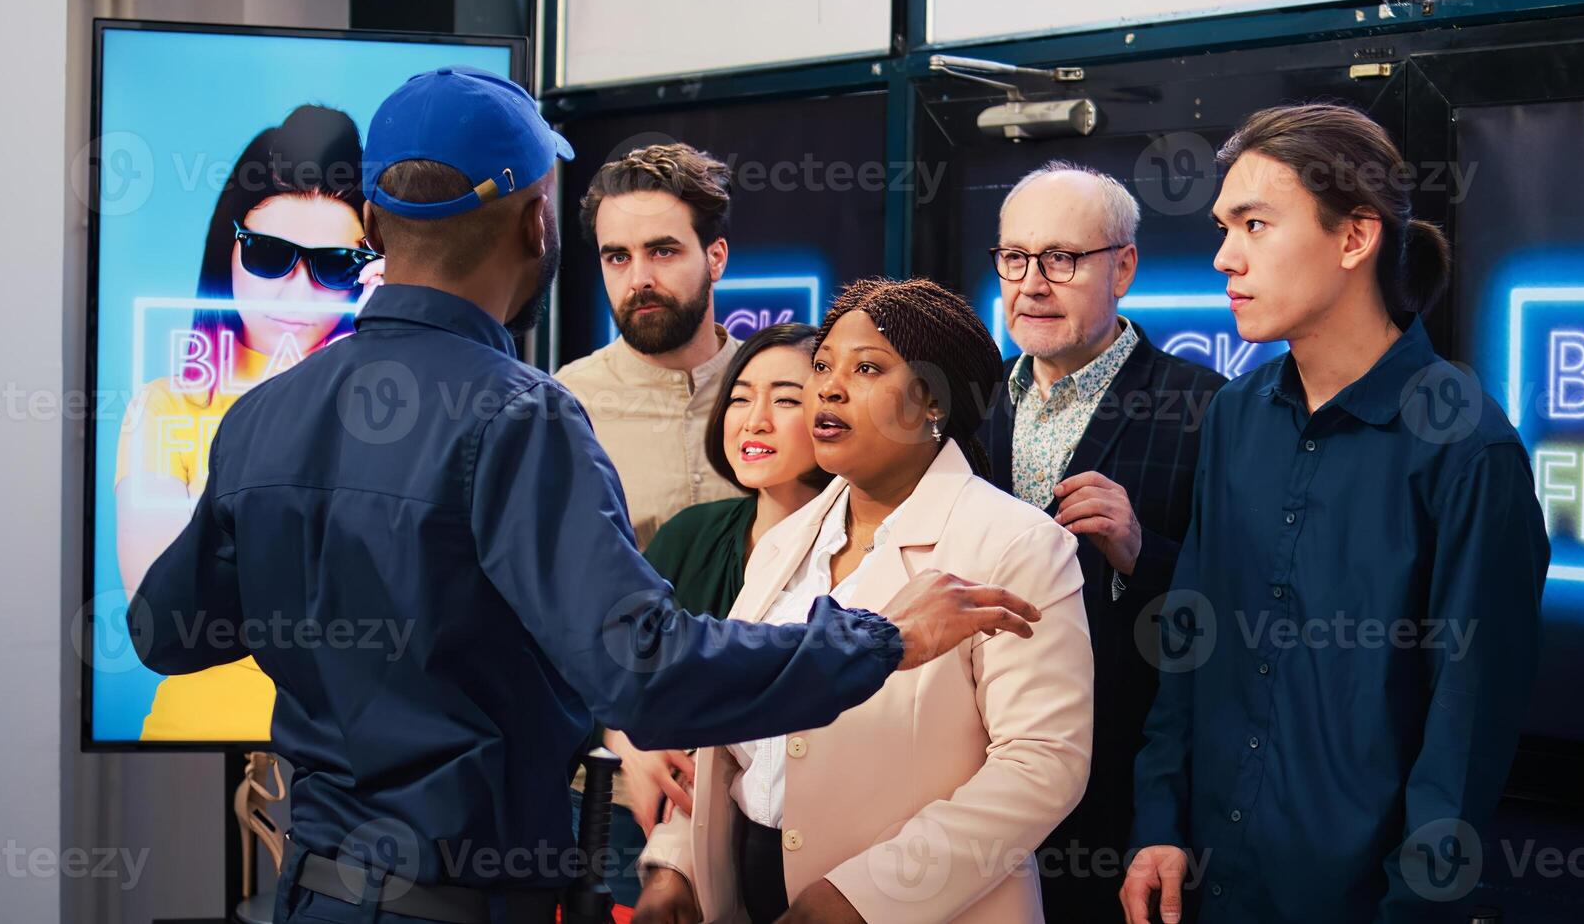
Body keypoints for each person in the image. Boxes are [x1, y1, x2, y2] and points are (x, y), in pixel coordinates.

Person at [127, 66, 1045, 924]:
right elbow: (642, 672)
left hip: (312, 892)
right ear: (539, 224)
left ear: (372, 220)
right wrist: (884, 637)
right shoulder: (519, 416)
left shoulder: (266, 415)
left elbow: (166, 633)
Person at [1121, 104, 1548, 923]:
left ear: (1355, 238)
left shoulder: (1466, 450)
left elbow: (1465, 734)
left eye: (1254, 224)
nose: (1224, 256)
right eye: (1223, 226)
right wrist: (1159, 824)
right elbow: (1191, 641)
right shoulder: (1237, 417)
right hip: (1207, 886)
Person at [636, 278, 1095, 924]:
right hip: (748, 894)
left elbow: (1043, 766)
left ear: (932, 398)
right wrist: (675, 865)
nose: (828, 386)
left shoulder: (1016, 544)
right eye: (823, 365)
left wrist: (862, 898)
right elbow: (732, 735)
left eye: (867, 367)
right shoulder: (785, 541)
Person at [976, 161, 1226, 919]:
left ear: (1124, 267)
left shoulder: (1206, 407)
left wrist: (1140, 553)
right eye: (1015, 258)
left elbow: (1246, 612)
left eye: (1061, 259)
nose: (1032, 283)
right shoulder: (972, 404)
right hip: (977, 783)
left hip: (1124, 790)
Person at [115, 104, 383, 742]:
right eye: (268, 255)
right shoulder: (167, 407)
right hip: (196, 740)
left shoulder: (390, 405)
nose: (295, 294)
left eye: (335, 265)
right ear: (226, 248)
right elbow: (168, 620)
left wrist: (382, 348)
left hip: (357, 762)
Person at [593, 323, 834, 905]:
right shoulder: (688, 536)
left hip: (807, 856)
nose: (754, 420)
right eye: (740, 397)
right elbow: (607, 670)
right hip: (658, 841)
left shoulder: (859, 553)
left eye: (785, 399)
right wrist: (626, 738)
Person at [556, 143, 744, 549]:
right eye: (618, 258)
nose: (639, 279)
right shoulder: (567, 405)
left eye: (662, 251)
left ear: (716, 258)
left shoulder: (781, 386)